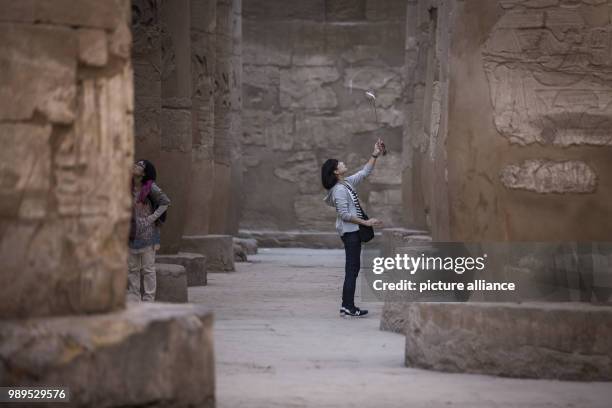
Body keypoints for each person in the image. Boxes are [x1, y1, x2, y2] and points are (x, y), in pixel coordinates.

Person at [322, 139, 384, 317]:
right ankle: (347, 306)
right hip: (350, 234)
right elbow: (345, 215)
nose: (343, 163)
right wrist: (366, 222)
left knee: (353, 269)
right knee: (352, 269)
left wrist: (375, 154)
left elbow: (364, 173)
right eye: (339, 163)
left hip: (353, 233)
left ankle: (347, 305)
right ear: (336, 171)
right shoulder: (339, 190)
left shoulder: (346, 183)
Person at [127, 159, 170, 302]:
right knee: (132, 269)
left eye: (140, 166)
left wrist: (151, 218)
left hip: (148, 234)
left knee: (148, 269)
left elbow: (165, 202)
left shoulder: (151, 188)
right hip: (132, 233)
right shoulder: (127, 187)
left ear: (145, 173)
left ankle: (148, 300)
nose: (135, 166)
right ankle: (134, 299)